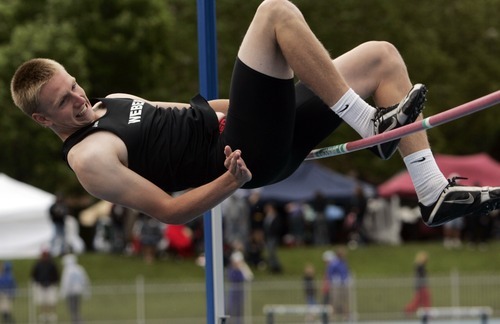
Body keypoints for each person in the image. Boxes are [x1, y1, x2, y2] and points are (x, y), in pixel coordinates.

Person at [11, 0, 500, 227]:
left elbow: (204, 109)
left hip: (256, 128)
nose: (78, 98)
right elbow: (169, 212)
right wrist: (231, 180)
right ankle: (369, 121)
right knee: (274, 13)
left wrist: (273, 95)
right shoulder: (90, 159)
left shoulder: (111, 103)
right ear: (43, 119)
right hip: (246, 154)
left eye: (72, 85)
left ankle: (433, 192)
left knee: (381, 57)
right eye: (64, 102)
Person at [60, 254, 91, 324]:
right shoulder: (79, 268)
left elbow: (65, 282)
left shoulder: (67, 270)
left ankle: (75, 320)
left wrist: (63, 292)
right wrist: (86, 290)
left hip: (71, 292)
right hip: (78, 291)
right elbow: (85, 280)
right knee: (77, 307)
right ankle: (78, 319)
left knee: (72, 307)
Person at [31, 250, 60, 323]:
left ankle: (52, 314)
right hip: (41, 285)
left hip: (50, 285)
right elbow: (34, 274)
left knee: (51, 301)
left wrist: (54, 282)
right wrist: (38, 282)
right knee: (42, 301)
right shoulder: (38, 264)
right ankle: (43, 315)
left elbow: (56, 274)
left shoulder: (52, 264)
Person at [325, 247, 351, 320]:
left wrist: (347, 278)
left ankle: (346, 315)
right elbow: (330, 273)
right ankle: (333, 316)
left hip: (344, 283)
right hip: (336, 284)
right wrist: (332, 280)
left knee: (345, 299)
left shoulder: (344, 262)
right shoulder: (334, 263)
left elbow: (346, 271)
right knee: (335, 300)